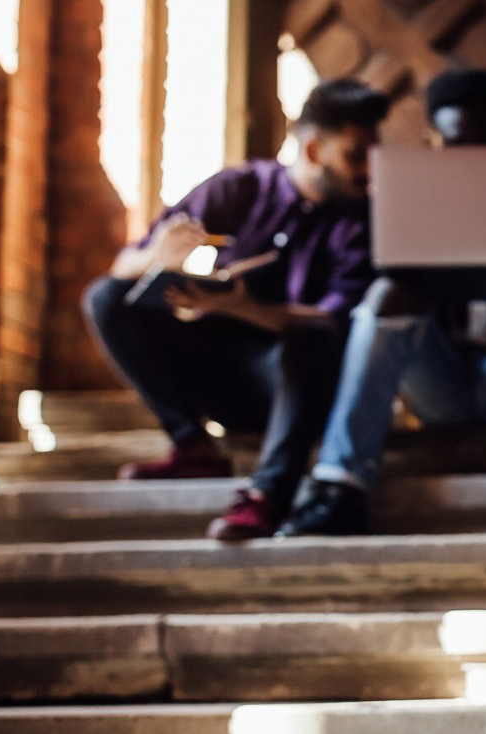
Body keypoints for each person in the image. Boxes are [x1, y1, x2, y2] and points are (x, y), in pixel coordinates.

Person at [83, 79, 388, 540]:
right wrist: (159, 260)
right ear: (311, 151)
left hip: (299, 387)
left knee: (312, 336)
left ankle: (268, 495)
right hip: (216, 371)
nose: (368, 171)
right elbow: (123, 265)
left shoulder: (364, 221)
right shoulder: (239, 188)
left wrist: (243, 307)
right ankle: (192, 446)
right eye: (356, 155)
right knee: (107, 297)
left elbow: (333, 320)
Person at [278, 67, 486, 537]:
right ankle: (341, 488)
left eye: (480, 144)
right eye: (456, 145)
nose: (467, 157)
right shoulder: (402, 202)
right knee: (385, 294)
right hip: (441, 385)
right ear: (435, 140)